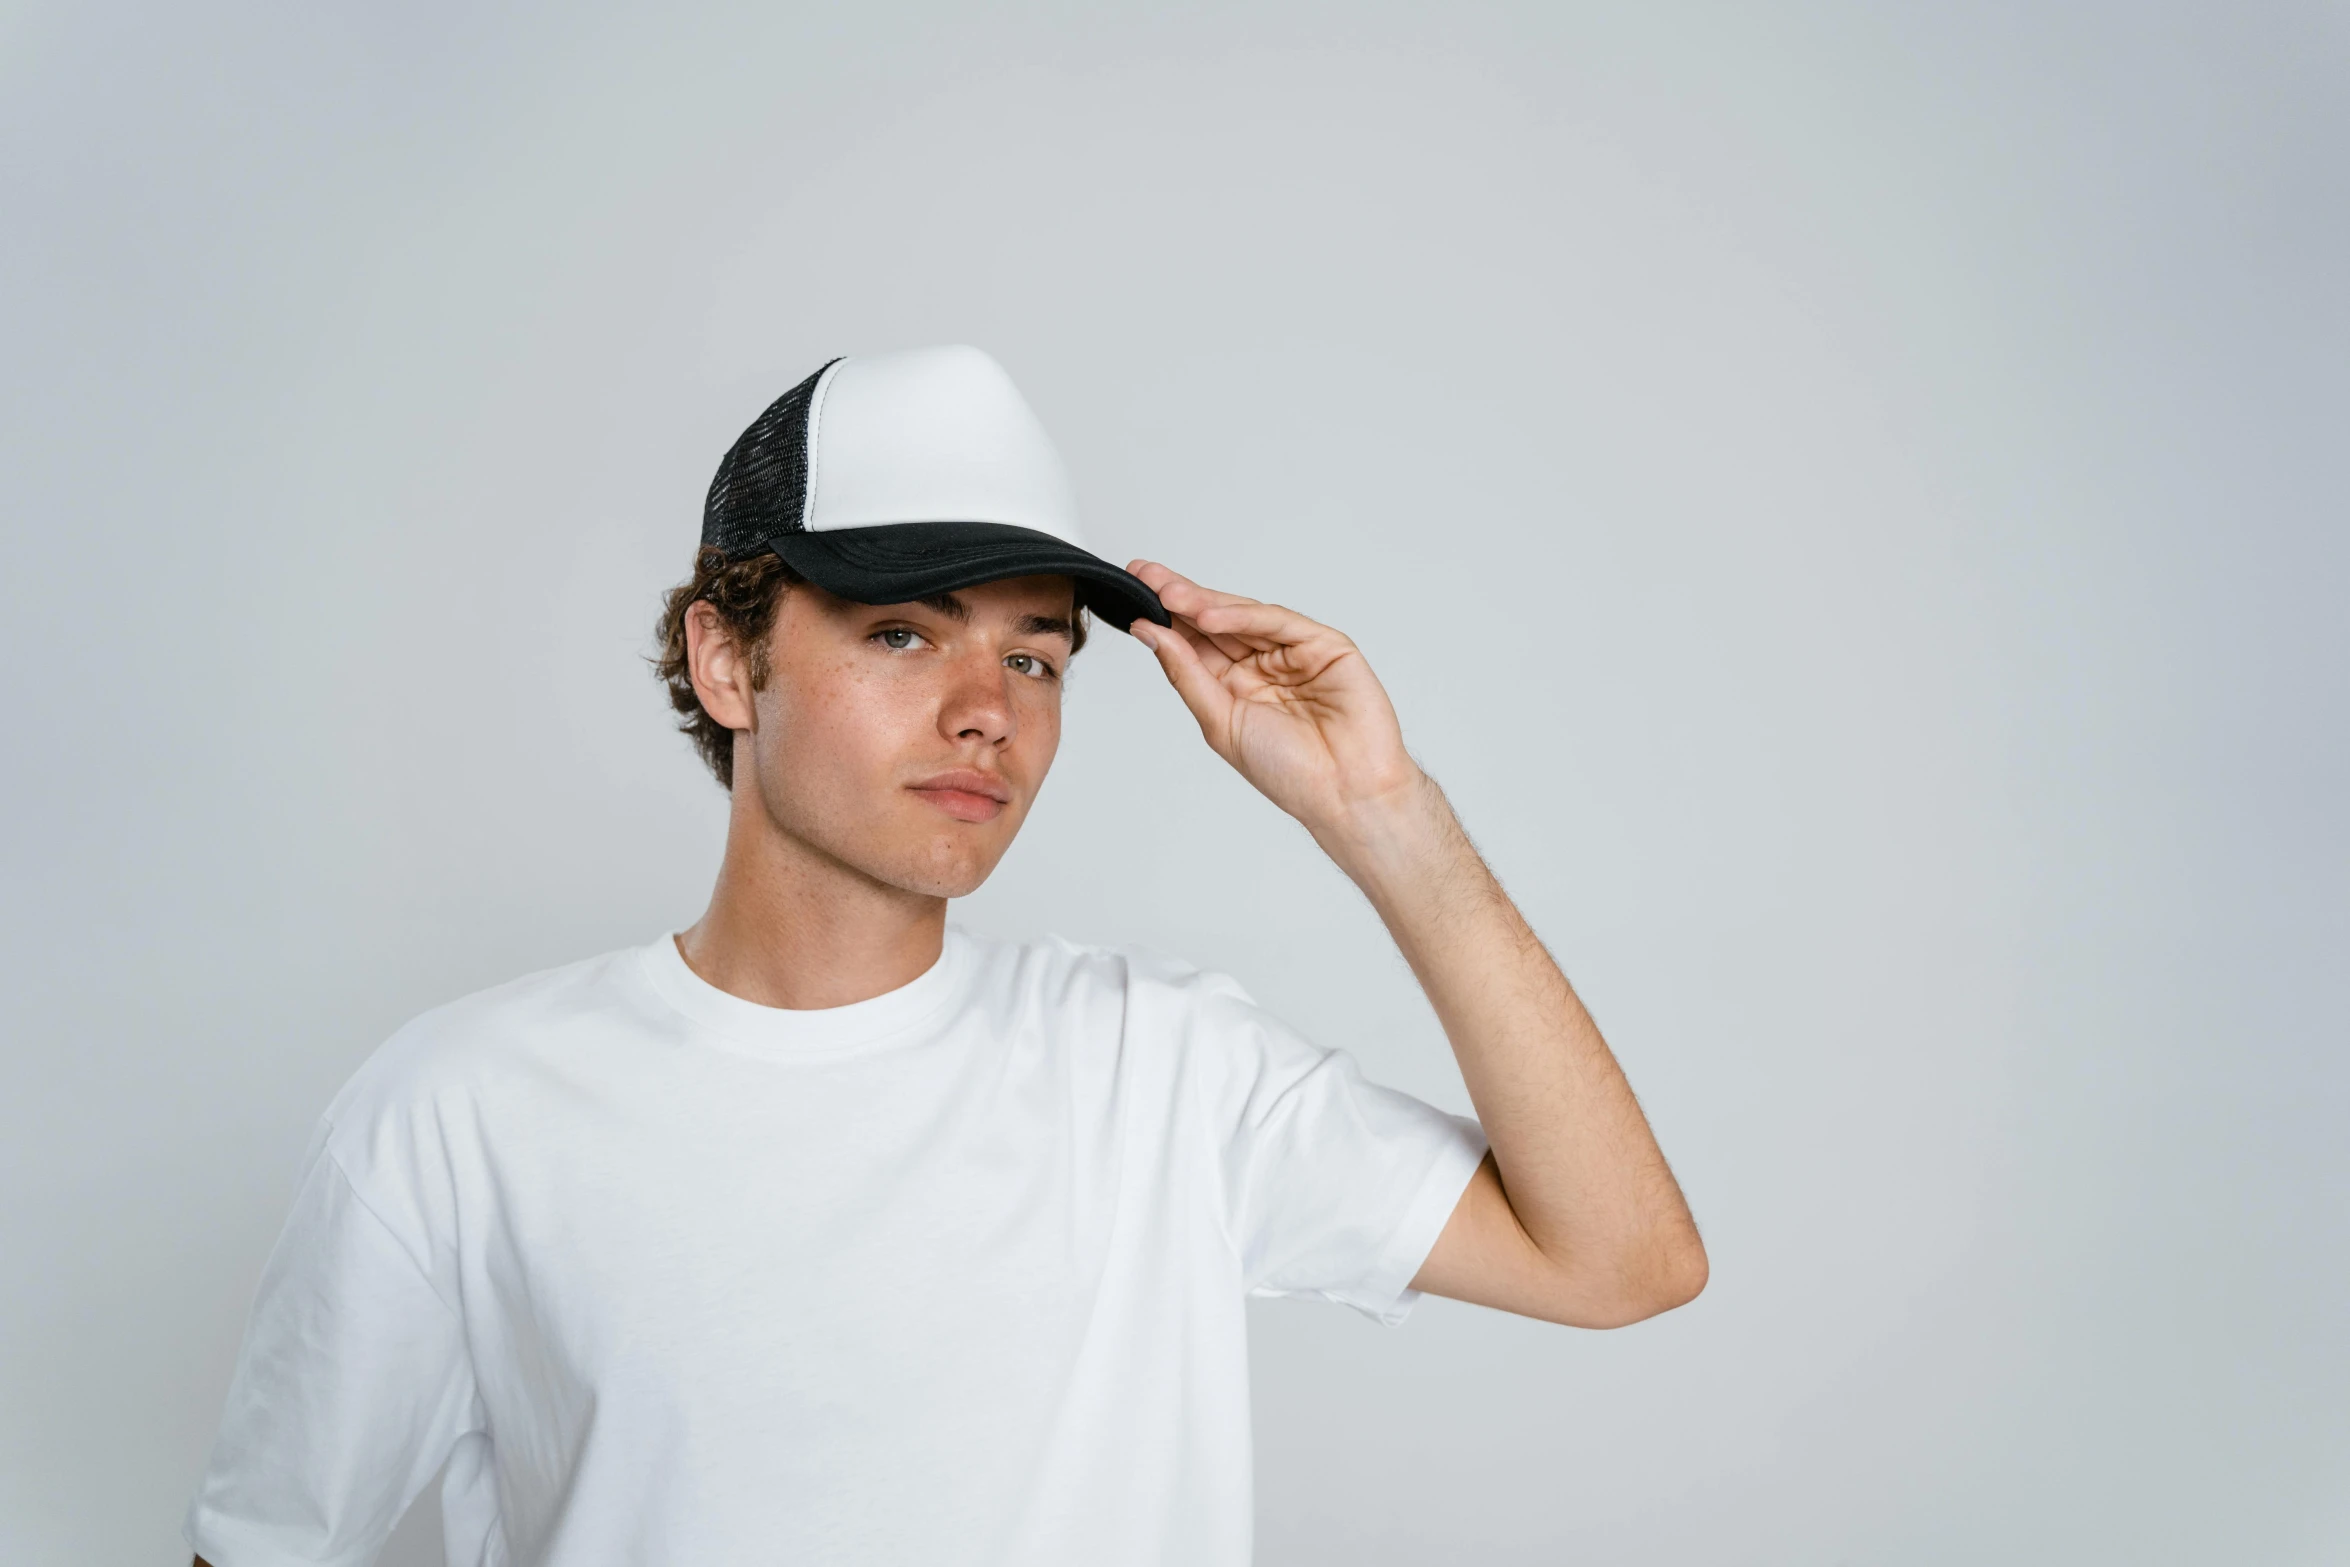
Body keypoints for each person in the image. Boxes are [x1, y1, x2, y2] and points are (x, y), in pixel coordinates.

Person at [184, 345, 1706, 1566]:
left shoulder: (1158, 1070)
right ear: (731, 660)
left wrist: (1384, 814)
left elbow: (1622, 1258)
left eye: (1034, 650)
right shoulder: (462, 1113)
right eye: (903, 632)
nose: (989, 704)